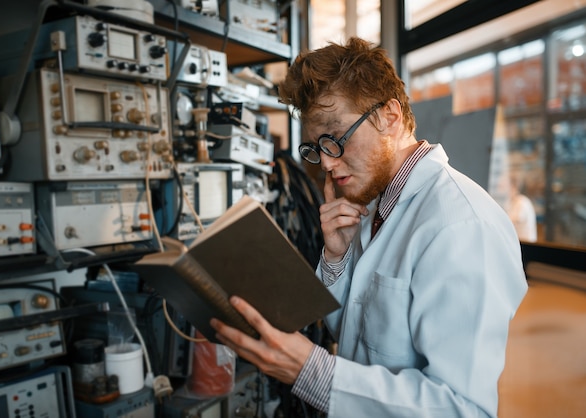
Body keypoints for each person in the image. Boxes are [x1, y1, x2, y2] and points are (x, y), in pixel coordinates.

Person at [210, 37, 528, 417]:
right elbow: (357, 332)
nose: (326, 164)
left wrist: (310, 371)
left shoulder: (462, 226)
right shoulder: (374, 202)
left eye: (336, 139)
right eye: (316, 148)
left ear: (389, 118)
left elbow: (461, 408)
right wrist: (336, 258)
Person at [507, 174, 538, 242]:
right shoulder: (512, 202)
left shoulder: (522, 202)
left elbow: (509, 223)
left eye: (504, 186)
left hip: (526, 246)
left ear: (513, 187)